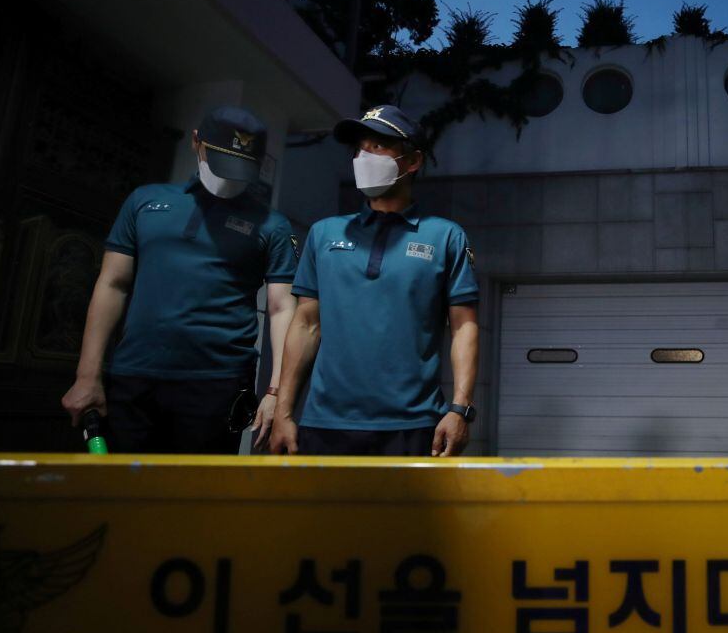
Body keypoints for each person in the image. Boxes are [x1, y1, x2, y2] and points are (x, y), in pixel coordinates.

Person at [61, 106, 298, 453]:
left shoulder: (271, 224)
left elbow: (281, 308)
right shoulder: (146, 201)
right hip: (134, 375)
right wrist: (87, 376)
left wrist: (277, 392)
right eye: (222, 162)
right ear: (196, 143)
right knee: (123, 495)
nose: (229, 178)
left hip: (220, 383)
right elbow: (112, 284)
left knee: (198, 498)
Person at [269, 105, 479, 457]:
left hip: (415, 426)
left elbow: (464, 328)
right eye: (360, 148)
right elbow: (305, 324)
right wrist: (284, 411)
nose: (364, 156)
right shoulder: (324, 234)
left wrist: (460, 410)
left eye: (378, 147)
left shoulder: (445, 237)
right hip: (325, 422)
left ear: (412, 162)